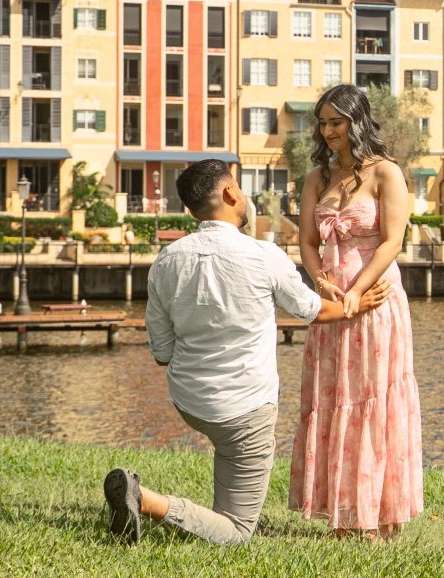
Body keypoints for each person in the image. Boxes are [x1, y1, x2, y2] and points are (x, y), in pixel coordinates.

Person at [103, 158, 390, 545]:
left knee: (228, 452)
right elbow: (313, 309)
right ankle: (144, 499)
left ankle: (197, 500)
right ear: (230, 193)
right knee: (237, 531)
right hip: (245, 410)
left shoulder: (165, 261)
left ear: (191, 209)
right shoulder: (263, 255)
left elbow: (162, 353)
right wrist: (359, 302)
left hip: (189, 402)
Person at [292, 84, 423, 539]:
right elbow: (307, 242)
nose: (328, 131)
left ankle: (378, 516)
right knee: (333, 399)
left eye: (337, 122)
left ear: (357, 121)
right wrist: (321, 282)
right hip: (331, 302)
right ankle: (341, 515)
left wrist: (358, 291)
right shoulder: (316, 178)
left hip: (376, 298)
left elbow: (393, 241)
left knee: (373, 399)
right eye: (323, 123)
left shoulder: (386, 172)